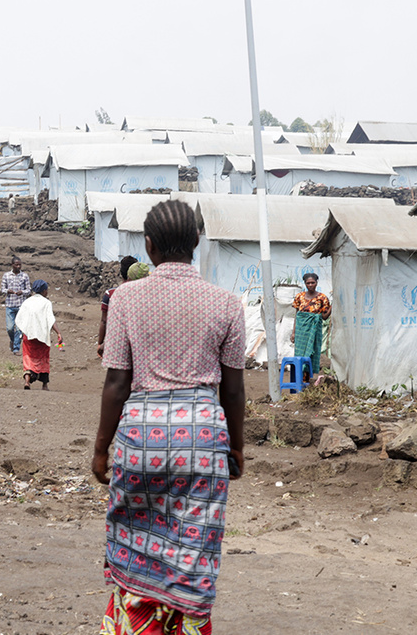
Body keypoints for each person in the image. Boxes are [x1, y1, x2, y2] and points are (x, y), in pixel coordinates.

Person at [92, 198, 246, 634]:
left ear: (149, 246)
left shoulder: (125, 298)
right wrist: (234, 447)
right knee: (193, 549)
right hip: (202, 440)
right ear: (197, 242)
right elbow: (232, 391)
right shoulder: (227, 304)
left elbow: (117, 385)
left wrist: (101, 450)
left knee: (135, 544)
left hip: (140, 439)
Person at [15, 280, 61, 390]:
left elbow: (19, 318)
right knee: (43, 358)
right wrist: (58, 333)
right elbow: (51, 320)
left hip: (28, 335)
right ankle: (44, 385)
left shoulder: (27, 302)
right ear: (44, 291)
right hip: (42, 336)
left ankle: (27, 382)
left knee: (28, 358)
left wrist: (24, 330)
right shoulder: (46, 303)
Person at [96, 256, 139, 358]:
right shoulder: (142, 294)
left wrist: (100, 343)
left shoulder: (110, 294)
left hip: (117, 344)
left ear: (121, 273)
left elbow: (104, 321)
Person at [291, 272, 331, 380]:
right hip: (301, 331)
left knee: (311, 355)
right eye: (308, 283)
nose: (310, 285)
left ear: (316, 283)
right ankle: (299, 381)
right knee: (300, 355)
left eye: (312, 282)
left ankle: (307, 381)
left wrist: (332, 307)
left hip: (314, 331)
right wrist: (293, 332)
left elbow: (324, 317)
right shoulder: (299, 297)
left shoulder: (322, 298)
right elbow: (297, 316)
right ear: (305, 283)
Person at [0, 256, 31, 354]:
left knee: (19, 328)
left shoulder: (25, 276)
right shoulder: (6, 275)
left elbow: (29, 290)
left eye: (20, 264)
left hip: (21, 305)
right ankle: (12, 340)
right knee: (9, 327)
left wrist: (23, 292)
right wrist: (7, 291)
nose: (18, 266)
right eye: (16, 264)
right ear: (12, 265)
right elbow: (2, 289)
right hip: (10, 304)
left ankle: (16, 348)